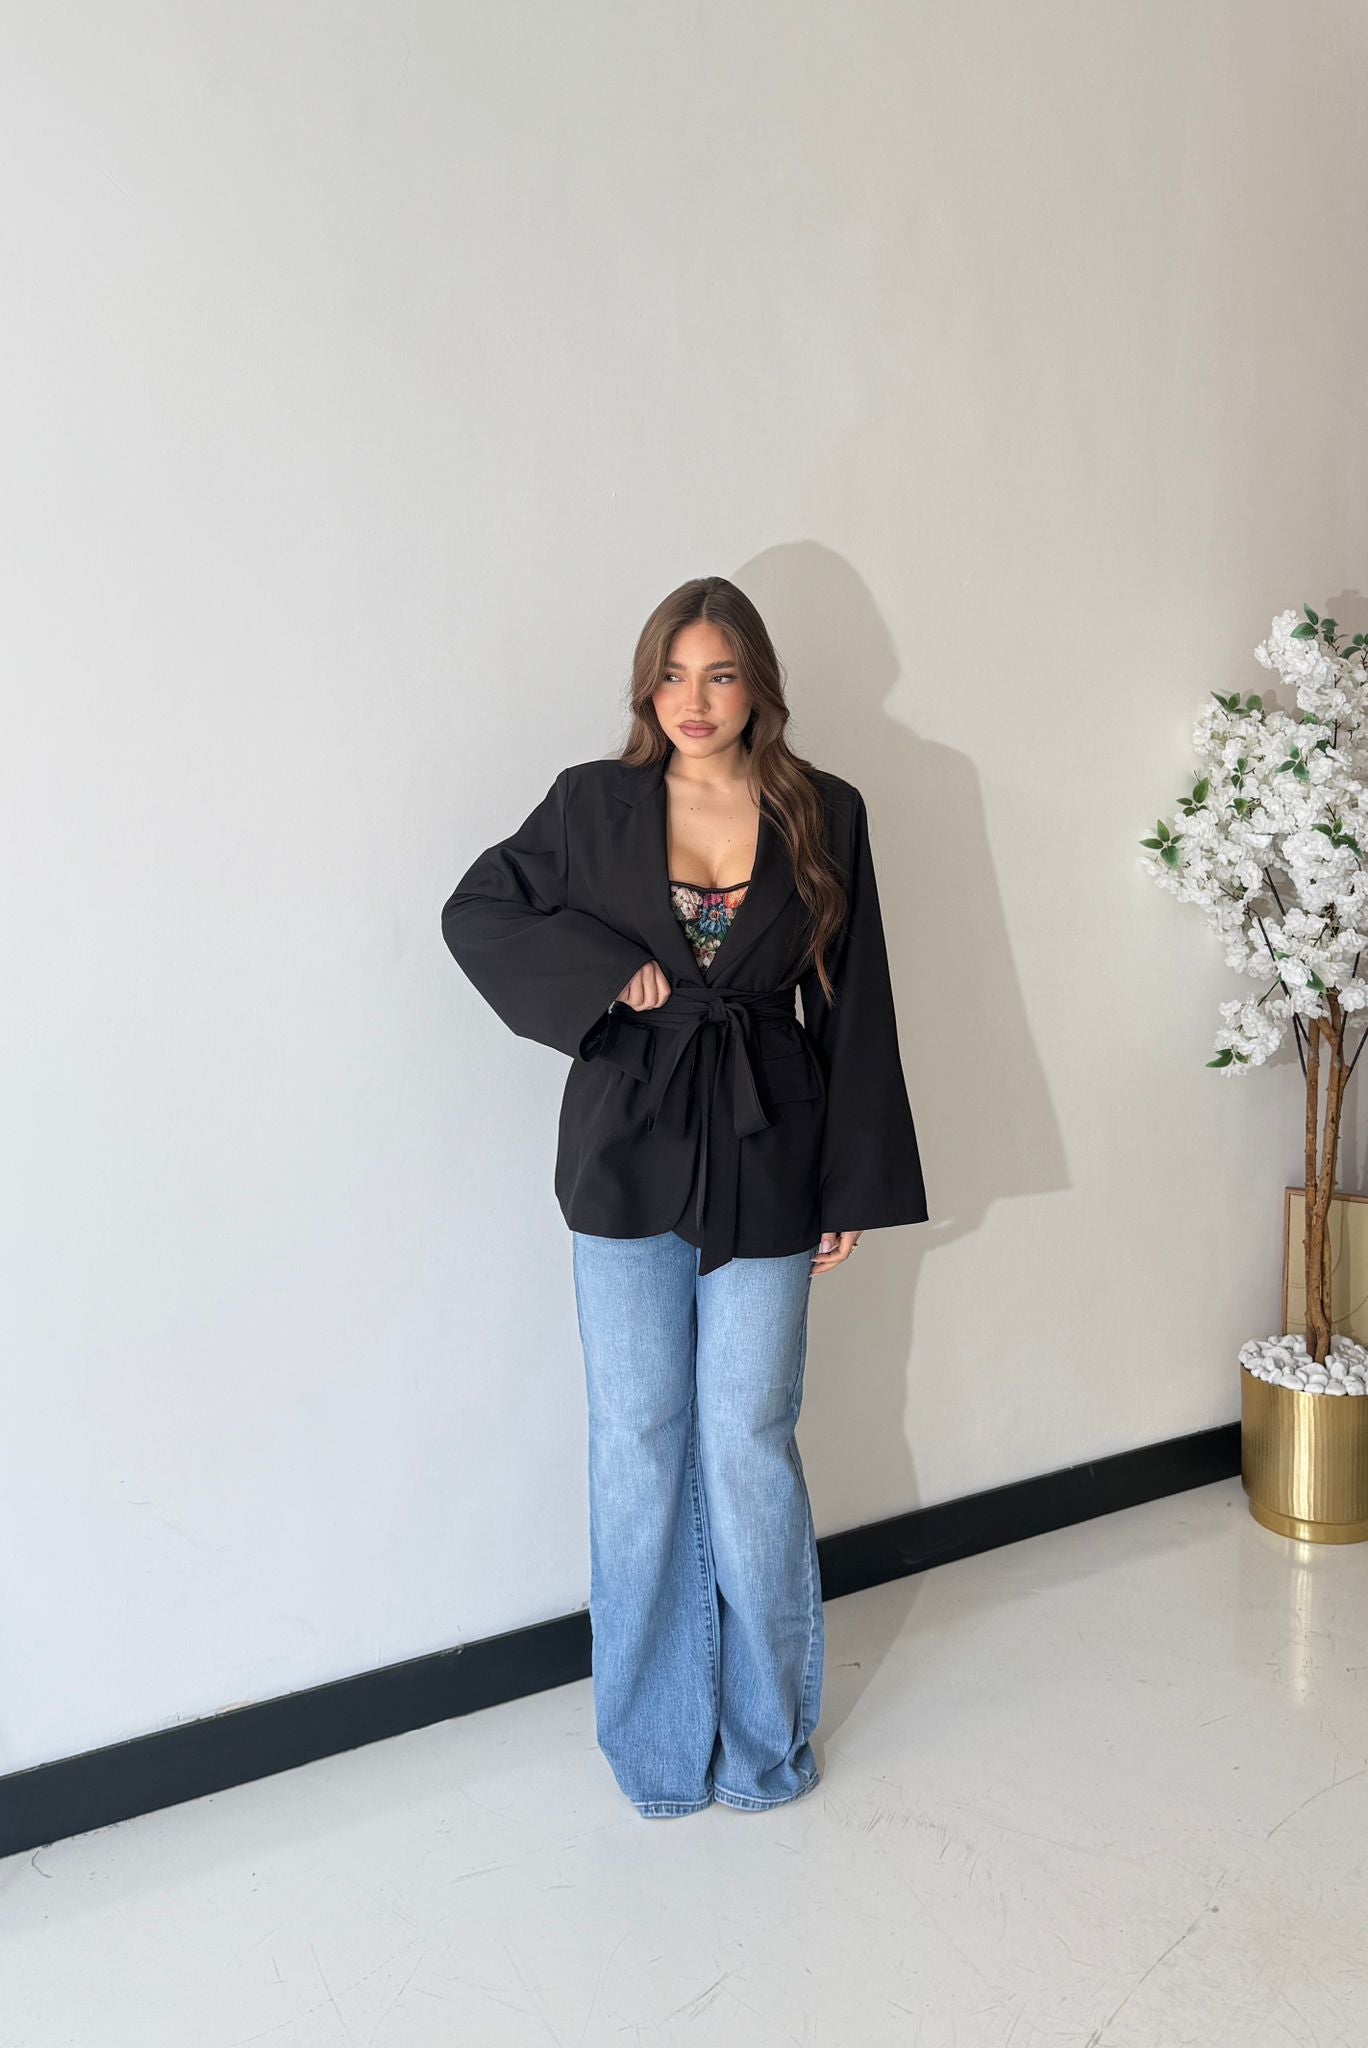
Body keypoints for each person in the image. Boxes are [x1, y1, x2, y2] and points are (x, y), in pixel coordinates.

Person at [441, 576, 929, 1818]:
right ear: (645, 685)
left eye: (717, 673)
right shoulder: (590, 802)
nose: (693, 700)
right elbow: (477, 910)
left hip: (773, 1139)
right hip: (628, 1140)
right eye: (671, 673)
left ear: (756, 681)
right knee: (639, 1438)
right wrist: (609, 970)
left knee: (749, 1436)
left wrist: (851, 1178)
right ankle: (658, 1750)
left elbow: (857, 1000)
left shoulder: (826, 809)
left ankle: (763, 1744)